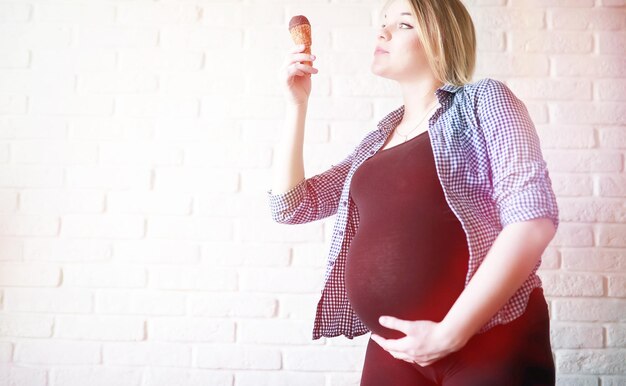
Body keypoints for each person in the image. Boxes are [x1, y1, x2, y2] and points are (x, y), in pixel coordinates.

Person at [267, 0, 559, 384]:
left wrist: (450, 332)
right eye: (383, 22)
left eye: (403, 24)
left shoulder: (483, 100)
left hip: (491, 339)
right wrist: (297, 105)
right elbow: (291, 205)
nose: (382, 32)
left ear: (440, 39)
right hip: (395, 349)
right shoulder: (378, 137)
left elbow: (532, 218)